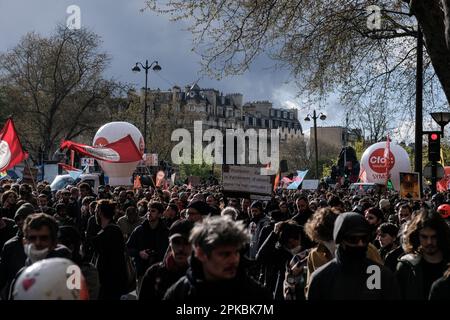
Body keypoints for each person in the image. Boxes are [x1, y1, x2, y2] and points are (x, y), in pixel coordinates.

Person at [163, 216, 270, 301]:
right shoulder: (180, 292)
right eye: (224, 254)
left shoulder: (256, 294)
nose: (234, 260)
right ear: (201, 253)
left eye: (236, 252)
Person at [307, 212, 400, 300]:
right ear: (340, 240)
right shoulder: (321, 278)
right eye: (353, 239)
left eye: (364, 238)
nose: (360, 244)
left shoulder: (382, 275)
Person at [396, 209, 450, 299]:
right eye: (424, 237)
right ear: (416, 236)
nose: (429, 242)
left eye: (434, 237)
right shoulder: (407, 266)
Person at [139, 220, 193, 300]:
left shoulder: (202, 275)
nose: (181, 248)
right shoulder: (154, 273)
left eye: (186, 242)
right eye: (176, 242)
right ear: (170, 243)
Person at [126, 202, 169, 292]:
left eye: (153, 211)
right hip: (142, 271)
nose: (149, 213)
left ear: (160, 214)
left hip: (160, 272)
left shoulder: (166, 232)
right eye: (149, 210)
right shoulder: (139, 230)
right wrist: (139, 253)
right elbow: (127, 248)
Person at [91, 200, 128, 300]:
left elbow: (116, 260)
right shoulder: (107, 230)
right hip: (107, 282)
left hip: (110, 284)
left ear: (100, 213)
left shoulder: (112, 231)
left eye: (95, 211)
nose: (94, 214)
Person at [11, 258, 89, 300]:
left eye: (44, 238)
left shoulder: (71, 269)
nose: (37, 243)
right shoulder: (22, 273)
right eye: (32, 238)